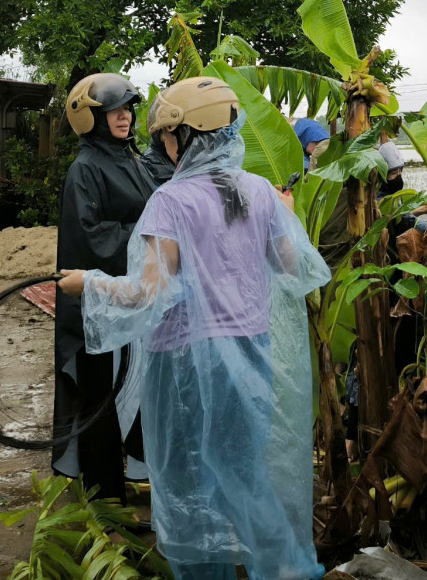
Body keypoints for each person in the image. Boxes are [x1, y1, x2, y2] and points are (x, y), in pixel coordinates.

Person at [58, 77, 329, 580]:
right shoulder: (260, 193)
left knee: (189, 483)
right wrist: (286, 214)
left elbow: (148, 293)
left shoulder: (170, 201)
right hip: (255, 355)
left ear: (184, 136)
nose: (161, 143)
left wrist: (89, 284)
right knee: (248, 474)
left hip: (189, 366)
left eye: (165, 134)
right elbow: (296, 271)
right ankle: (286, 569)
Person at [53, 73, 162, 501]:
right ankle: (104, 500)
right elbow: (93, 238)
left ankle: (130, 480)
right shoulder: (85, 169)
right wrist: (152, 235)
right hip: (96, 309)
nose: (124, 116)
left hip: (129, 301)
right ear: (90, 119)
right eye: (114, 110)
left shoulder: (130, 158)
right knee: (99, 403)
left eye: (128, 108)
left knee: (133, 398)